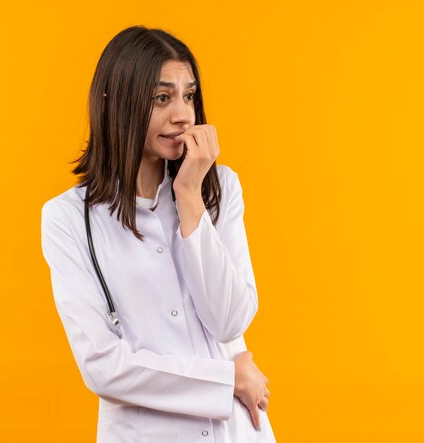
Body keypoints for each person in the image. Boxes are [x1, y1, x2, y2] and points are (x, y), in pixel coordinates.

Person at [41, 25, 276, 442]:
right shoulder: (67, 219)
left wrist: (188, 194)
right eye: (162, 98)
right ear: (116, 102)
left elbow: (230, 321)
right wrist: (226, 379)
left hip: (237, 432)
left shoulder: (218, 188)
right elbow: (102, 365)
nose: (183, 114)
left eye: (189, 96)